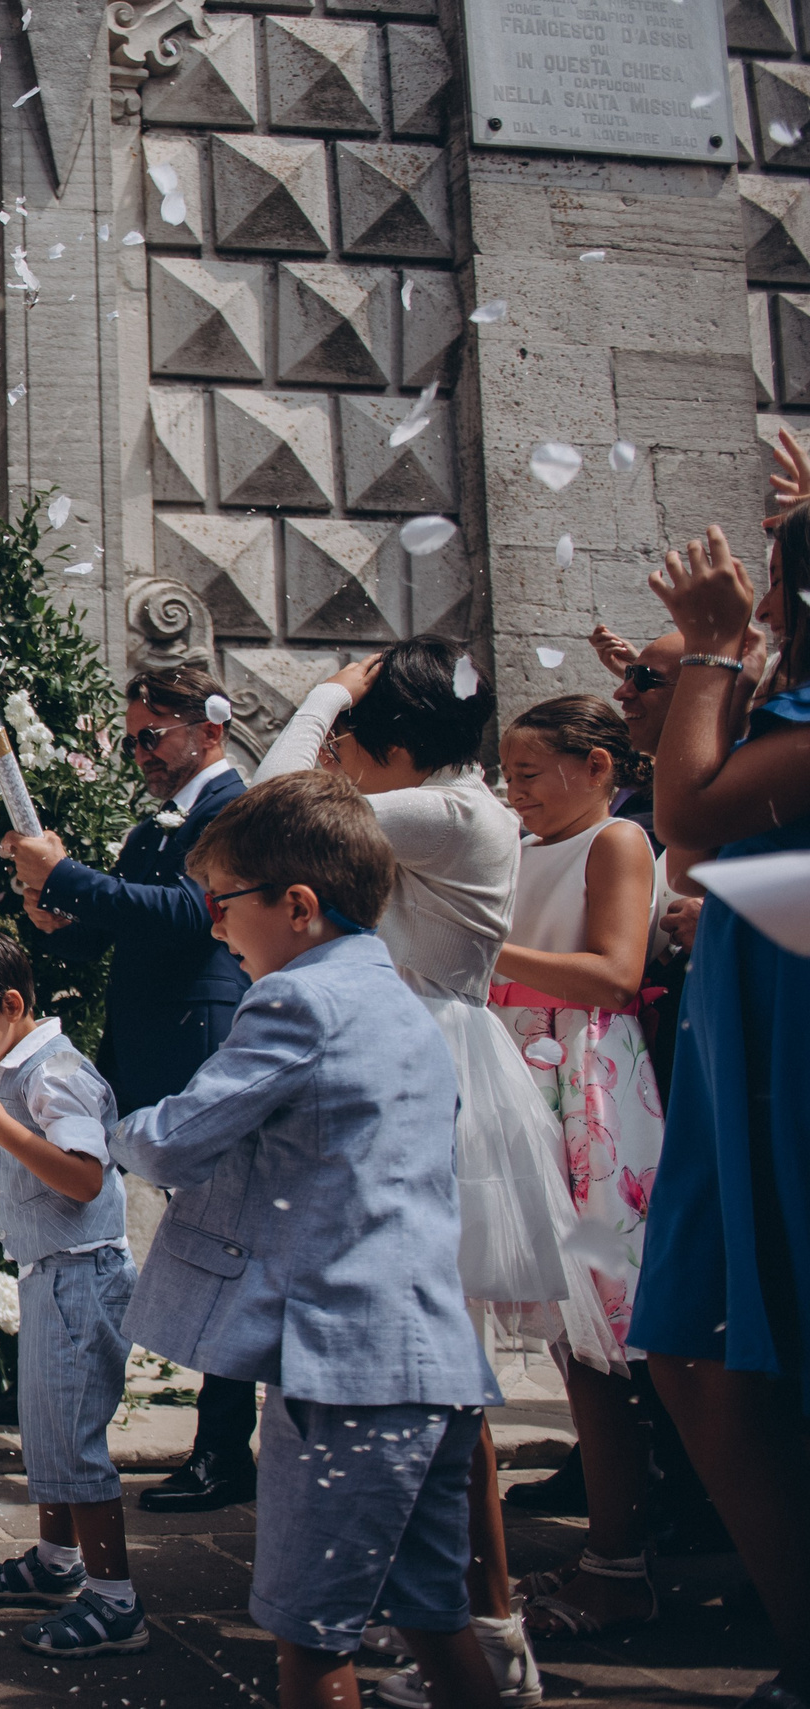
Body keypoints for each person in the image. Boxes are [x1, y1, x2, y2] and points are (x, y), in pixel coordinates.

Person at [111, 771, 503, 1709]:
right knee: (436, 1619)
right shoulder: (398, 999)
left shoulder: (296, 1002)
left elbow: (175, 1137)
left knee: (309, 1637)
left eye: (223, 903)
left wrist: (104, 1118)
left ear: (296, 906)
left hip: (344, 1370)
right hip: (432, 1361)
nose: (213, 926)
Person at [255, 635, 571, 1705]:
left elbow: (265, 810)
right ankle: (469, 1629)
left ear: (396, 740)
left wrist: (321, 694)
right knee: (441, 1384)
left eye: (356, 736)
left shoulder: (449, 807)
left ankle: (482, 1631)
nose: (340, 750)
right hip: (407, 1051)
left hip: (424, 1067)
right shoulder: (446, 803)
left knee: (448, 1386)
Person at [628, 513, 810, 1708]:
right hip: (744, 1025)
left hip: (786, 1038)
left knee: (740, 1341)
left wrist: (708, 647)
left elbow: (685, 816)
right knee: (694, 1342)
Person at [2, 663, 256, 1514]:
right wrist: (58, 919)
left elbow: (191, 915)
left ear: (209, 732)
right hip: (144, 1044)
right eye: (133, 738)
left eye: (152, 735)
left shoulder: (233, 809)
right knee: (204, 1236)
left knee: (227, 1243)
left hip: (200, 1046)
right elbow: (122, 928)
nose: (139, 752)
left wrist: (69, 874)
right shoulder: (158, 820)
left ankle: (225, 1448)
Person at [0, 930, 146, 1658]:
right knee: (45, 1429)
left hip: (82, 1275)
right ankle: (56, 1562)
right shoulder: (24, 1071)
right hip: (51, 1273)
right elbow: (27, 1152)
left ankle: (115, 1602)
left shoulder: (56, 1074)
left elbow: (83, 1175)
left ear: (10, 1004)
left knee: (72, 1438)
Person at [487, 697, 667, 1638]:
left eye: (528, 772)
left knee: (604, 1331)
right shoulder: (519, 846)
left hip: (585, 1078)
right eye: (507, 774)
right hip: (518, 1061)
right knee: (569, 1334)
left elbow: (614, 973)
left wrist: (484, 952)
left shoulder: (617, 843)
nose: (512, 789)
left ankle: (620, 1560)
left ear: (596, 765)